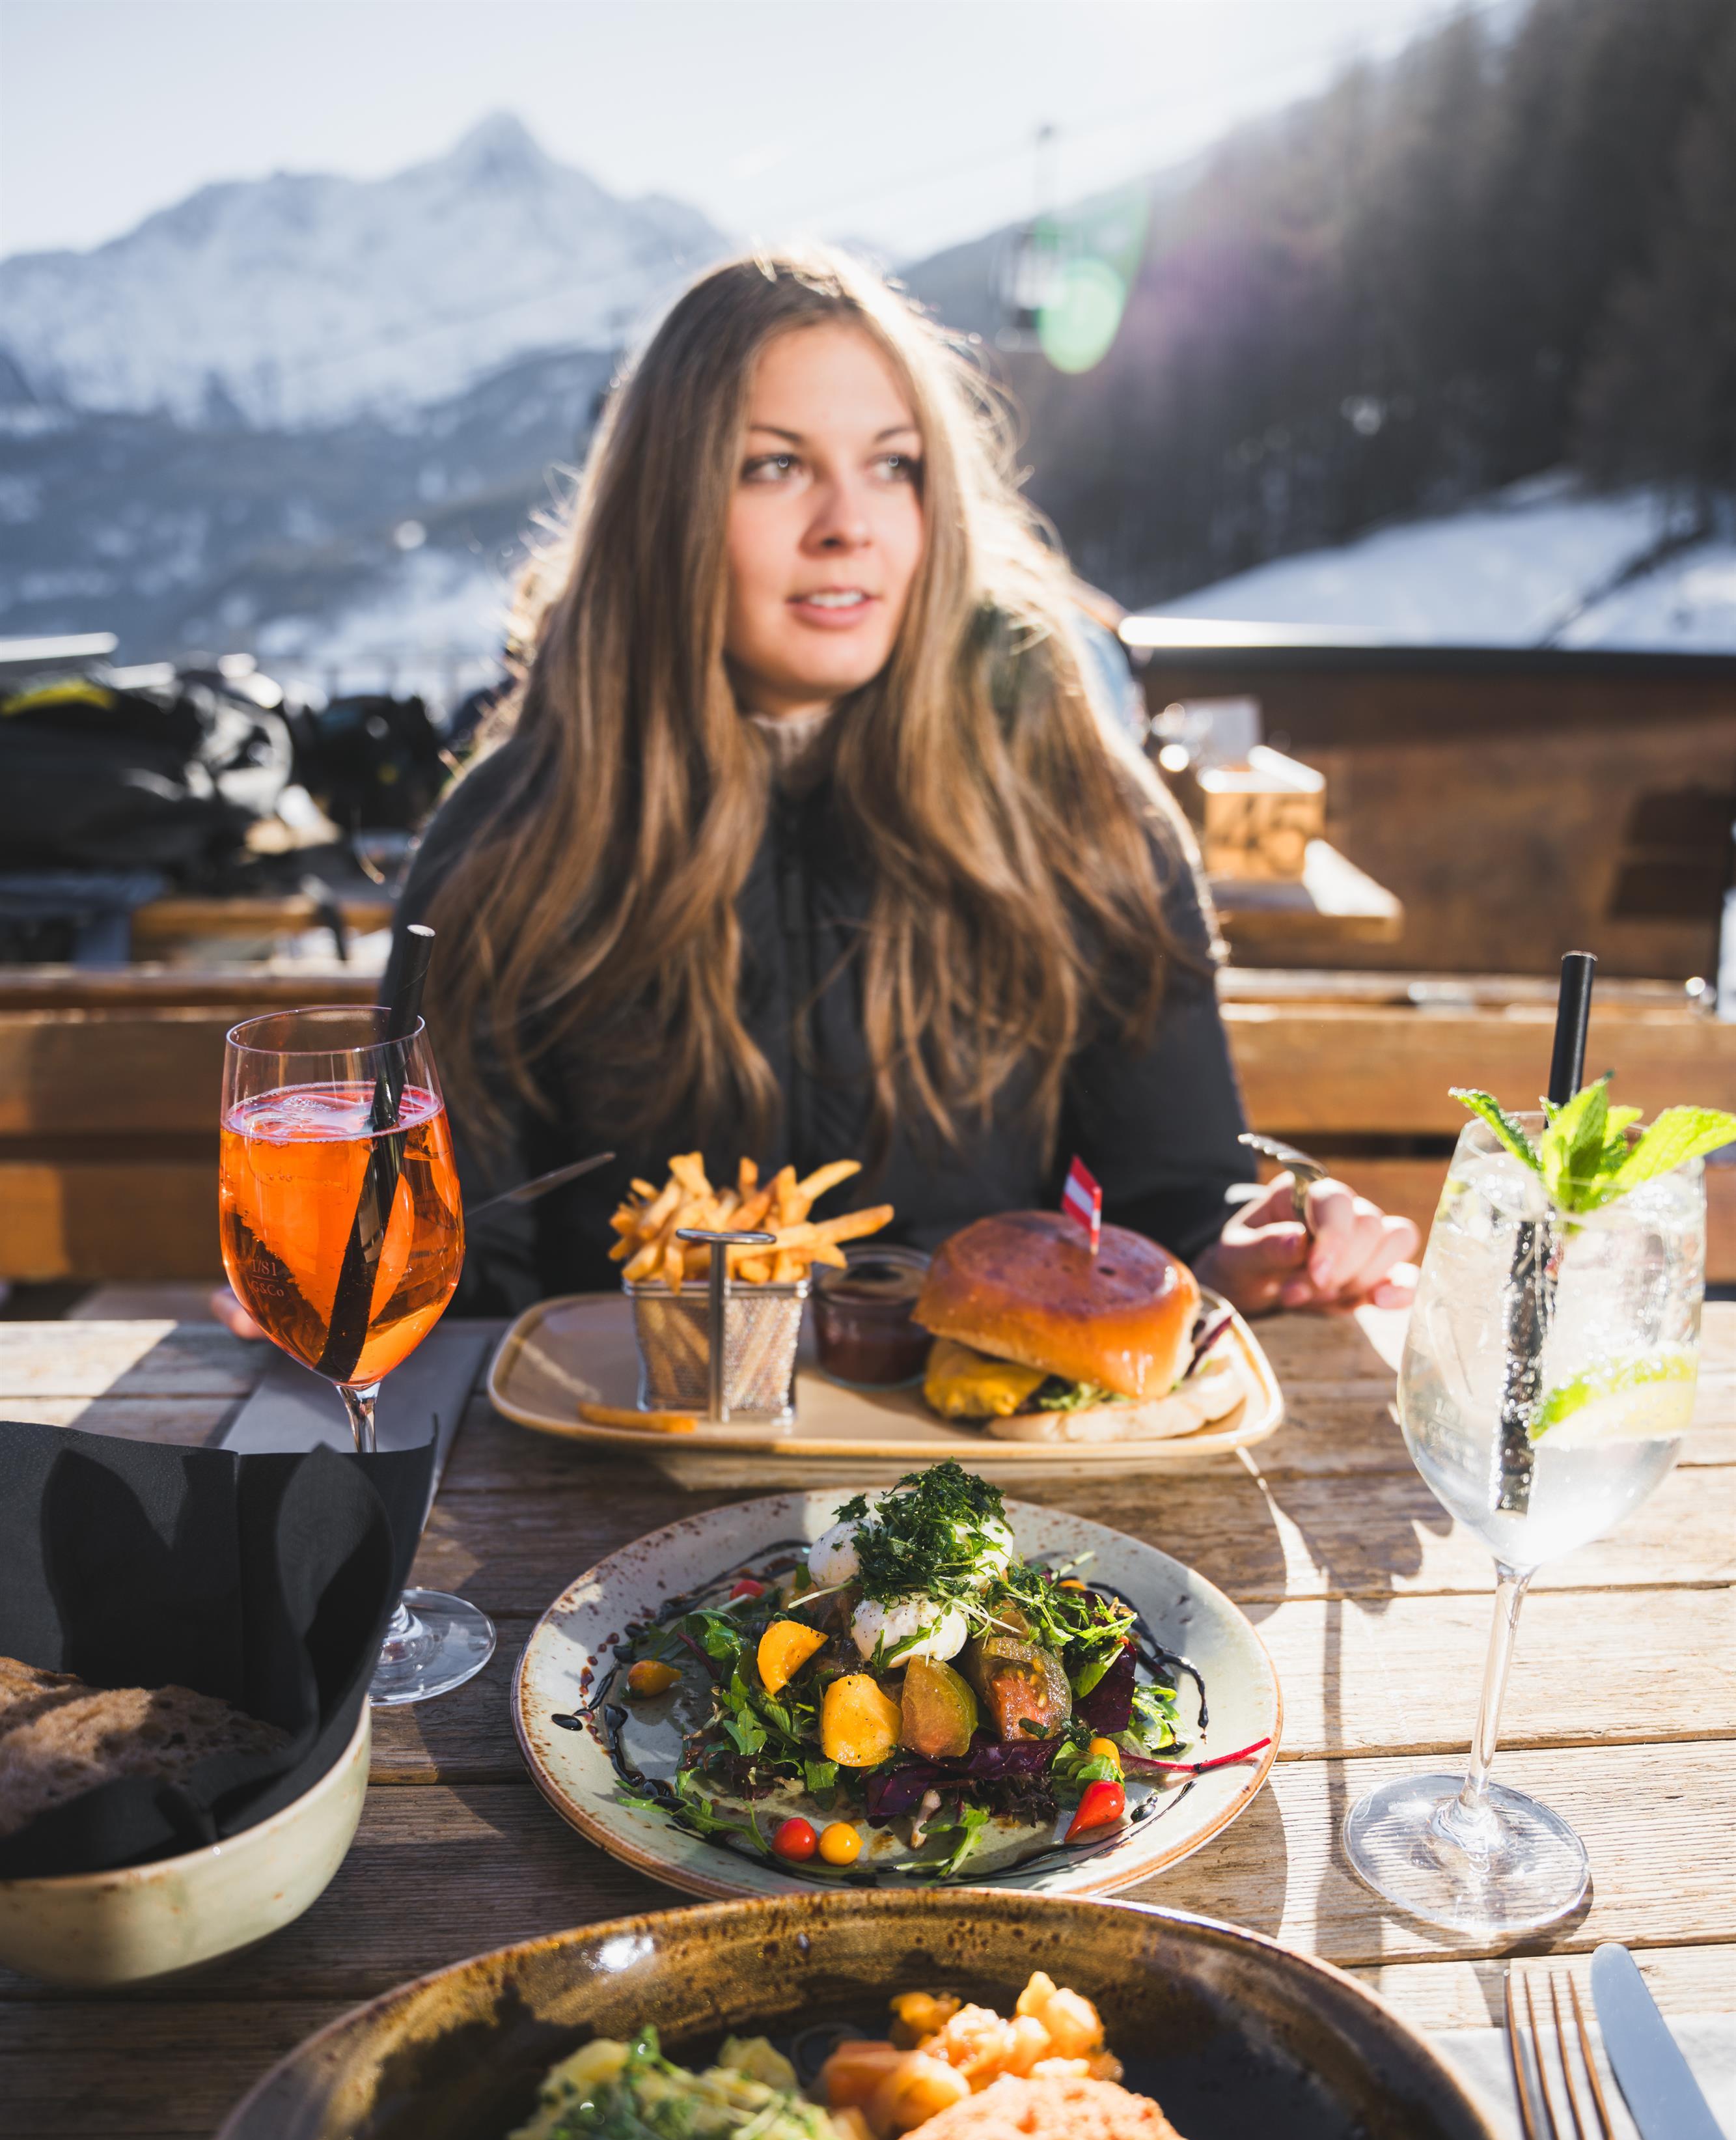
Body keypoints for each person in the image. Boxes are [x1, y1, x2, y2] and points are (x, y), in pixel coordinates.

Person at [215, 249, 1414, 1339]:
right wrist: (355, 1295)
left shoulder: (1068, 796)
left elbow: (1172, 1208)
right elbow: (462, 1272)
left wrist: (1253, 1252)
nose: (850, 526)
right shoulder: (512, 835)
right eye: (775, 466)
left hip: (985, 1470)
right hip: (615, 1461)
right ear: (667, 510)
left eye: (892, 466)